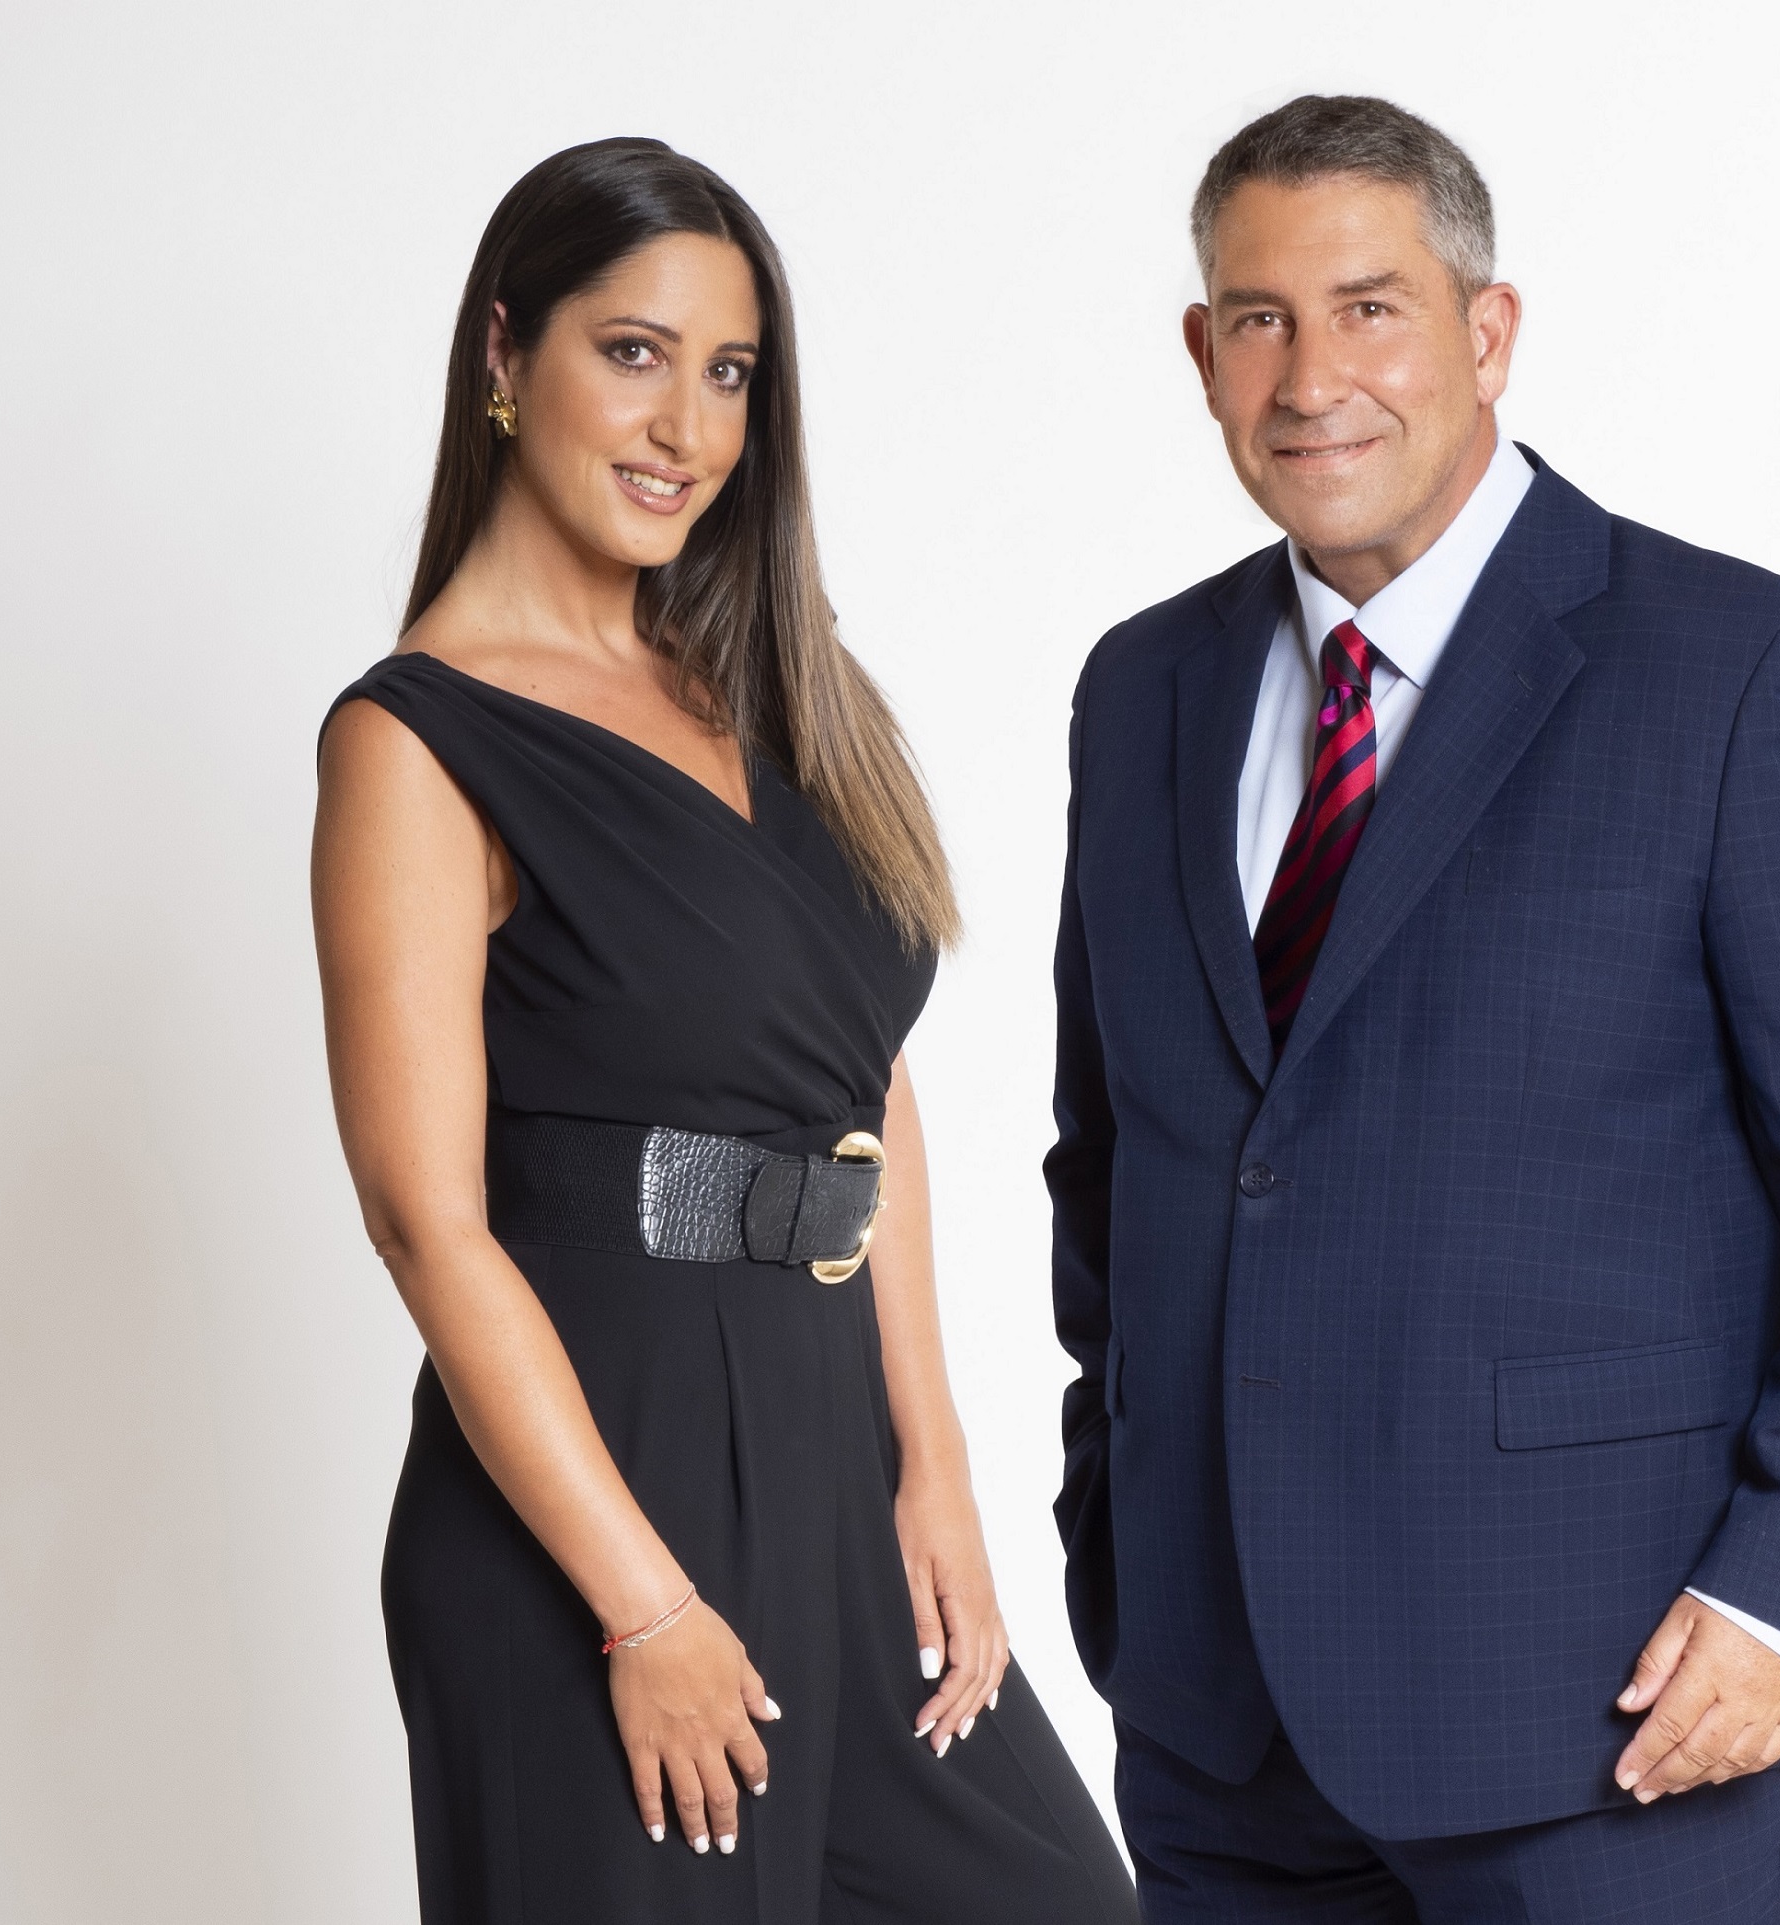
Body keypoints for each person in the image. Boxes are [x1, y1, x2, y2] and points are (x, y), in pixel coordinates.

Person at [1046, 95, 1780, 1921]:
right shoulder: (1142, 689)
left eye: (1370, 309)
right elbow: (1113, 1159)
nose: (1314, 378)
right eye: (1261, 320)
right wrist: (1117, 1530)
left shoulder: (1733, 670)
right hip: (1220, 1722)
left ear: (1488, 331)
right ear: (1203, 354)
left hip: (1610, 1709)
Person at [313, 137, 1134, 1925]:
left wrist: (937, 1466)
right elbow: (422, 1218)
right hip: (597, 1502)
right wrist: (644, 1605)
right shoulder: (415, 742)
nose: (685, 425)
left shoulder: (770, 690)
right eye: (634, 352)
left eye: (731, 372)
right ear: (505, 352)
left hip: (840, 1465)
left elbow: (862, 1086)